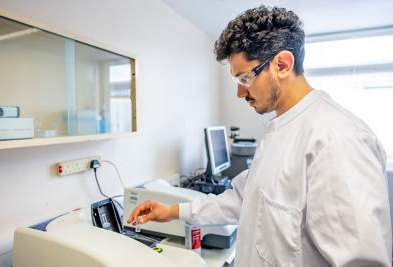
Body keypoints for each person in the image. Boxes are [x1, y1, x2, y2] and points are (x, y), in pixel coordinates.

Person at [128, 5, 392, 266]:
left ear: (282, 65)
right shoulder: (281, 128)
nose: (240, 94)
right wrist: (173, 211)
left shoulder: (338, 140)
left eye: (244, 79)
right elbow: (245, 199)